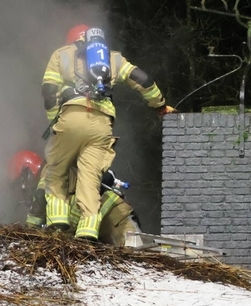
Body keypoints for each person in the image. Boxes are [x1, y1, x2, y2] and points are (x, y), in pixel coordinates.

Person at [40, 24, 175, 241]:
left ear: (73, 42)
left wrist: (55, 119)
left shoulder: (61, 55)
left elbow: (48, 91)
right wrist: (160, 105)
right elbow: (143, 80)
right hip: (102, 125)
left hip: (71, 119)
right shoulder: (113, 59)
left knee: (55, 172)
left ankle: (58, 225)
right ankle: (87, 232)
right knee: (90, 181)